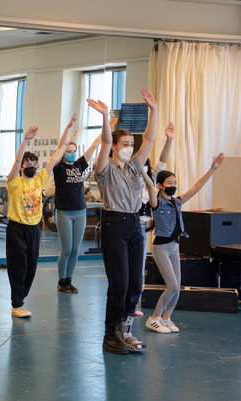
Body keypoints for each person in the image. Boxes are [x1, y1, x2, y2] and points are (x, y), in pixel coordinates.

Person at [88, 88, 157, 354]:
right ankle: (109, 334)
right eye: (125, 144)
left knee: (135, 284)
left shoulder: (135, 166)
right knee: (119, 283)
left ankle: (124, 331)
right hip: (114, 224)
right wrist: (106, 116)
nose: (130, 148)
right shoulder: (105, 169)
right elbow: (105, 141)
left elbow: (149, 139)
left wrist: (154, 110)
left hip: (135, 225)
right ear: (116, 147)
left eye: (131, 144)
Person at [145, 153, 225, 333]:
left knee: (177, 287)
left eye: (175, 183)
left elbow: (197, 187)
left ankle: (167, 318)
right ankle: (154, 317)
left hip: (174, 246)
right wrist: (145, 172)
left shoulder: (178, 202)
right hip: (161, 247)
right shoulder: (157, 202)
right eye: (169, 183)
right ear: (160, 186)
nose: (173, 186)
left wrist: (212, 169)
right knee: (171, 285)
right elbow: (150, 187)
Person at [6, 125, 77, 318]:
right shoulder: (15, 182)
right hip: (17, 228)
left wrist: (66, 142)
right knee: (18, 266)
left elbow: (54, 160)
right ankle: (17, 303)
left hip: (33, 229)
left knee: (31, 267)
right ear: (22, 166)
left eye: (34, 164)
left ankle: (21, 299)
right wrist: (26, 140)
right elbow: (17, 160)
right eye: (28, 164)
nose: (32, 167)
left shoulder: (39, 181)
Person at [53, 113, 102, 293]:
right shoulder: (59, 167)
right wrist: (67, 129)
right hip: (64, 212)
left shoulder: (80, 165)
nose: (72, 153)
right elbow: (61, 146)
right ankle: (61, 281)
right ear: (63, 152)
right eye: (68, 150)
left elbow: (94, 146)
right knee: (66, 250)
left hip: (80, 211)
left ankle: (69, 280)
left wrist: (106, 127)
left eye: (74, 150)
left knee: (75, 250)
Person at [135, 122, 174, 316]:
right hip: (129, 223)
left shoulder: (151, 180)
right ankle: (127, 301)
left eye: (145, 164)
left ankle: (135, 303)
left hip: (142, 226)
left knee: (140, 267)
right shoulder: (130, 178)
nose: (143, 167)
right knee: (129, 266)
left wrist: (169, 140)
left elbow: (163, 160)